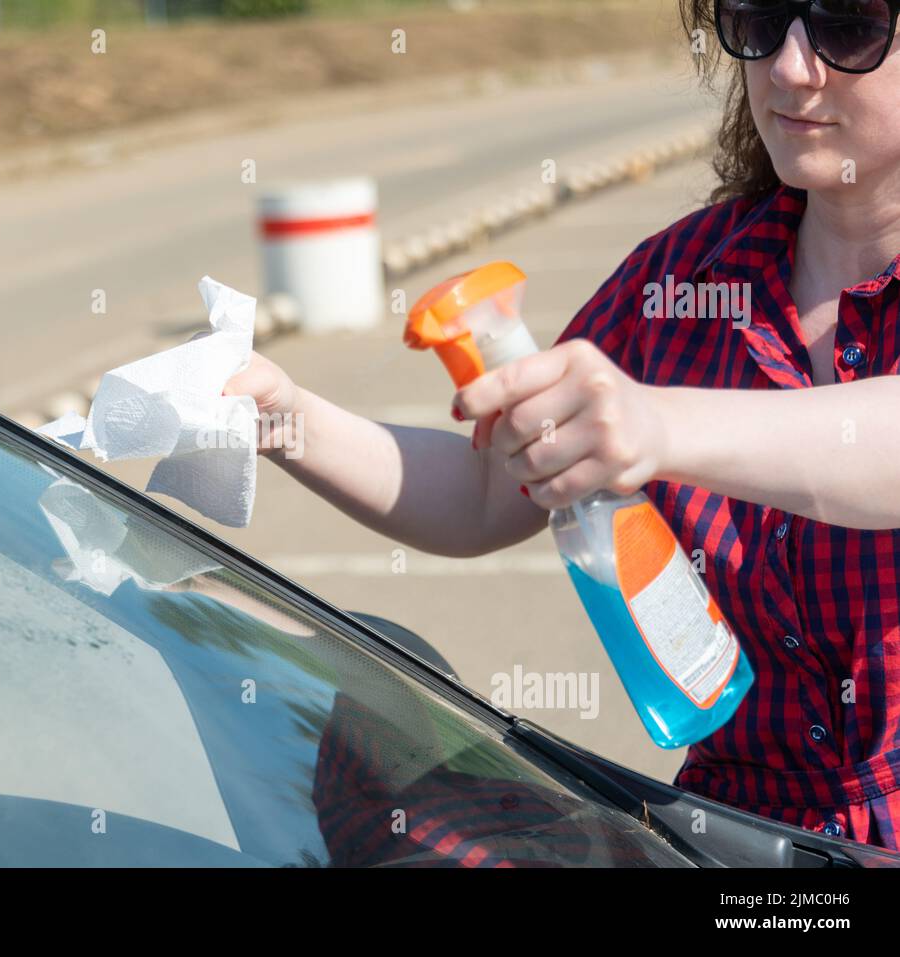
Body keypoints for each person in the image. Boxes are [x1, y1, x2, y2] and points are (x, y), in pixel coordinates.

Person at [224, 0, 900, 851]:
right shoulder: (681, 280)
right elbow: (483, 493)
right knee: (368, 720)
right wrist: (286, 420)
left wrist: (656, 422)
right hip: (736, 839)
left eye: (848, 22)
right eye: (759, 17)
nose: (792, 67)